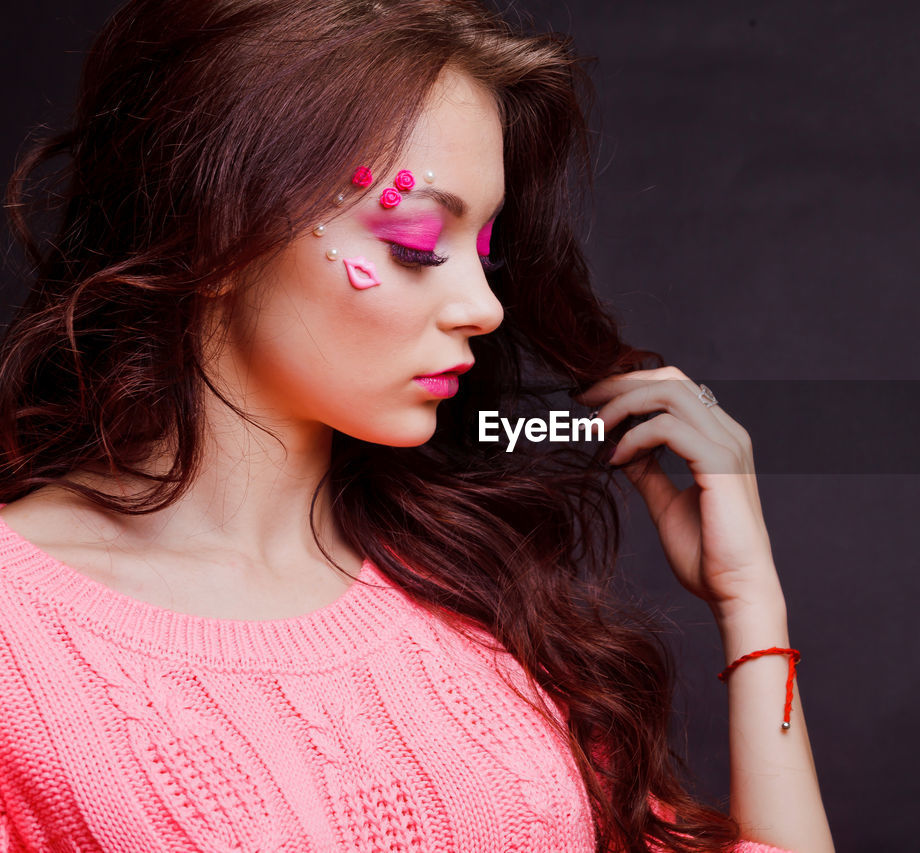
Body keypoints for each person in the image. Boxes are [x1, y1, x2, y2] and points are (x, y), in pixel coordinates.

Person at [0, 1, 835, 851]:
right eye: (417, 242)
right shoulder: (16, 630)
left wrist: (750, 600)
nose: (483, 306)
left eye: (489, 250)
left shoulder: (476, 594)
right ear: (218, 228)